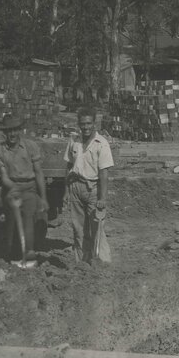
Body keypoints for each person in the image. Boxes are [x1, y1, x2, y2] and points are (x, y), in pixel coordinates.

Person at [0, 114, 48, 268]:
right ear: (4, 132)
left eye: (15, 130)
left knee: (28, 220)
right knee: (11, 222)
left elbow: (38, 172)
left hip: (29, 187)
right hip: (11, 188)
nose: (12, 134)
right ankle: (12, 257)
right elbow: (4, 177)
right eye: (9, 131)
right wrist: (14, 189)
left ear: (20, 130)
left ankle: (28, 257)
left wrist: (43, 198)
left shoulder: (30, 146)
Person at [65, 109, 114, 264]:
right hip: (75, 187)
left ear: (94, 124)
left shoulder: (102, 144)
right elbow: (68, 166)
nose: (85, 127)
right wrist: (66, 190)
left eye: (88, 123)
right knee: (78, 229)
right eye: (82, 124)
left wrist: (102, 198)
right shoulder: (74, 140)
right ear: (78, 124)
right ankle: (82, 264)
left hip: (93, 188)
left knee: (97, 228)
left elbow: (104, 173)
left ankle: (103, 263)